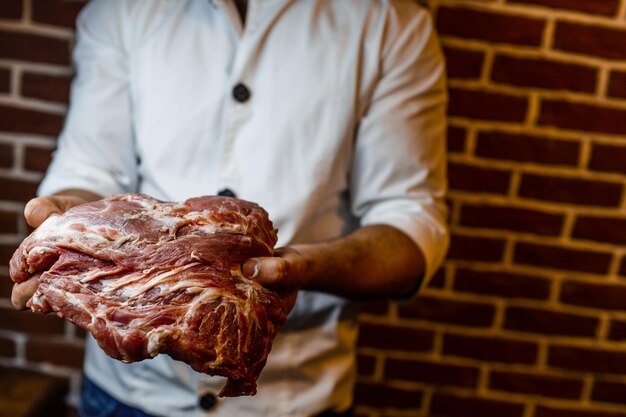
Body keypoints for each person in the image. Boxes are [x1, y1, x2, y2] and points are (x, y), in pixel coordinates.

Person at [11, 0, 449, 416]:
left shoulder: (390, 23)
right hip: (130, 394)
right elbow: (89, 168)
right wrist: (72, 228)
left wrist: (309, 268)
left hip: (294, 398)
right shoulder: (123, 10)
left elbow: (408, 222)